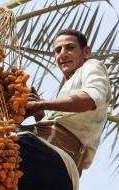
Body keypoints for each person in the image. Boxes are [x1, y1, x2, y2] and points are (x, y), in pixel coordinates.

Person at [17, 29, 112, 190]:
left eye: (70, 47)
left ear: (86, 52)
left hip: (57, 162)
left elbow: (90, 98)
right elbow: (62, 127)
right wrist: (39, 114)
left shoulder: (91, 66)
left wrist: (41, 104)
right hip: (50, 173)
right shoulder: (66, 89)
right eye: (58, 50)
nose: (63, 54)